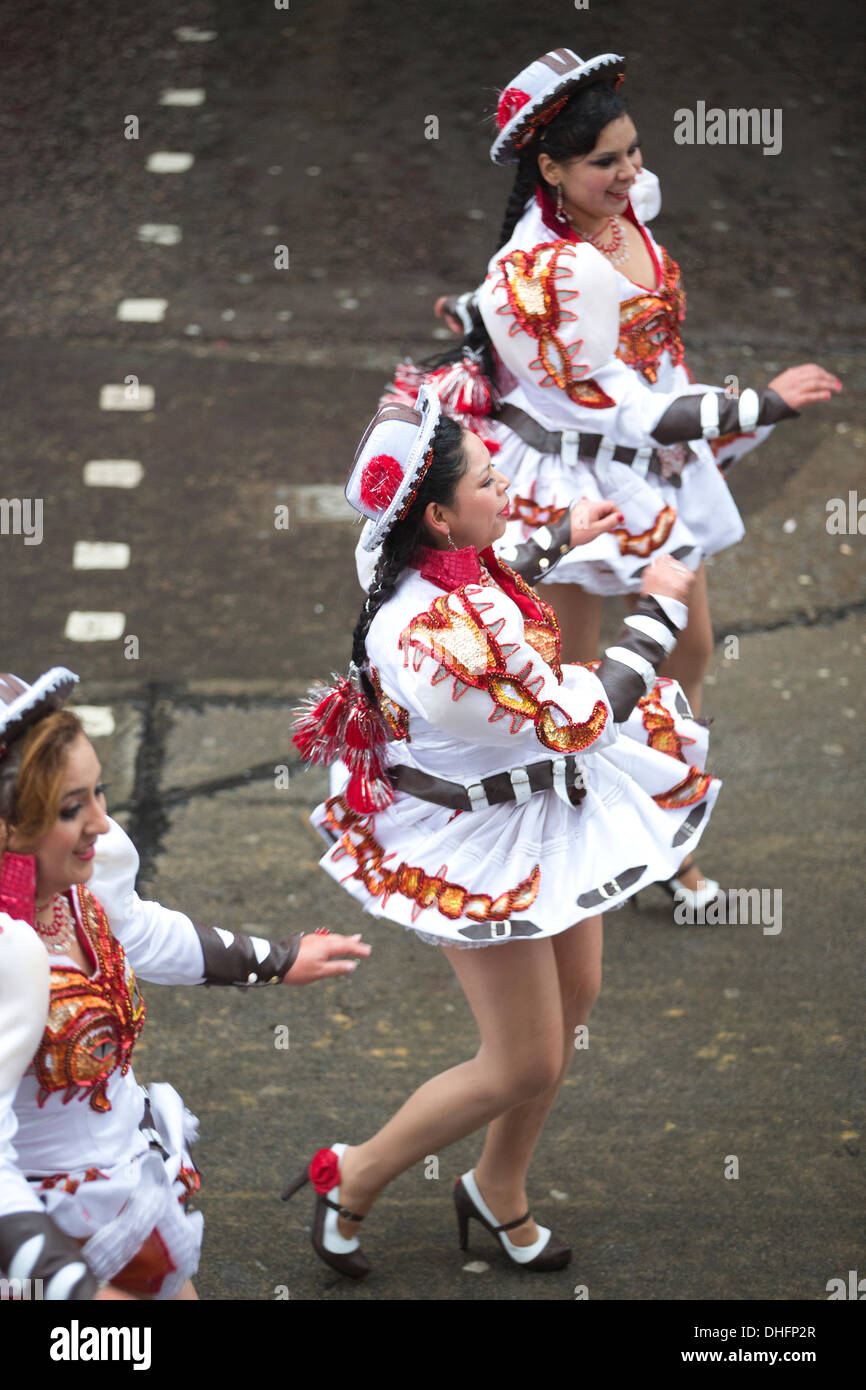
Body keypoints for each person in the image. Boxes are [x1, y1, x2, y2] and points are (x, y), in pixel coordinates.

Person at [286, 385, 720, 1277]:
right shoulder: (441, 650)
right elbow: (578, 714)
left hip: (542, 803)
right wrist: (661, 610)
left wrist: (563, 535)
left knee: (576, 1001)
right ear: (440, 515)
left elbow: (491, 565)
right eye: (489, 480)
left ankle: (497, 1187)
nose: (506, 487)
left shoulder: (412, 547)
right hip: (479, 836)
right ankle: (354, 1173)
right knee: (524, 1062)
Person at [413, 46, 840, 908]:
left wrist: (470, 314)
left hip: (655, 465)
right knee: (576, 679)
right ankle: (599, 842)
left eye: (633, 151)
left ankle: (657, 812)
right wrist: (765, 403)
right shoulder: (545, 271)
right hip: (581, 478)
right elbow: (629, 412)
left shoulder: (619, 211)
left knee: (687, 652)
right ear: (551, 170)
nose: (629, 171)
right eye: (605, 161)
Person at [0, 669, 369, 1300]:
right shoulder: (10, 955)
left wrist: (278, 959)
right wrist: (72, 1288)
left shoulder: (73, 882)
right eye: (70, 808)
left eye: (97, 793)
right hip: (47, 1241)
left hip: (123, 1194)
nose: (99, 824)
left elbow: (140, 934)